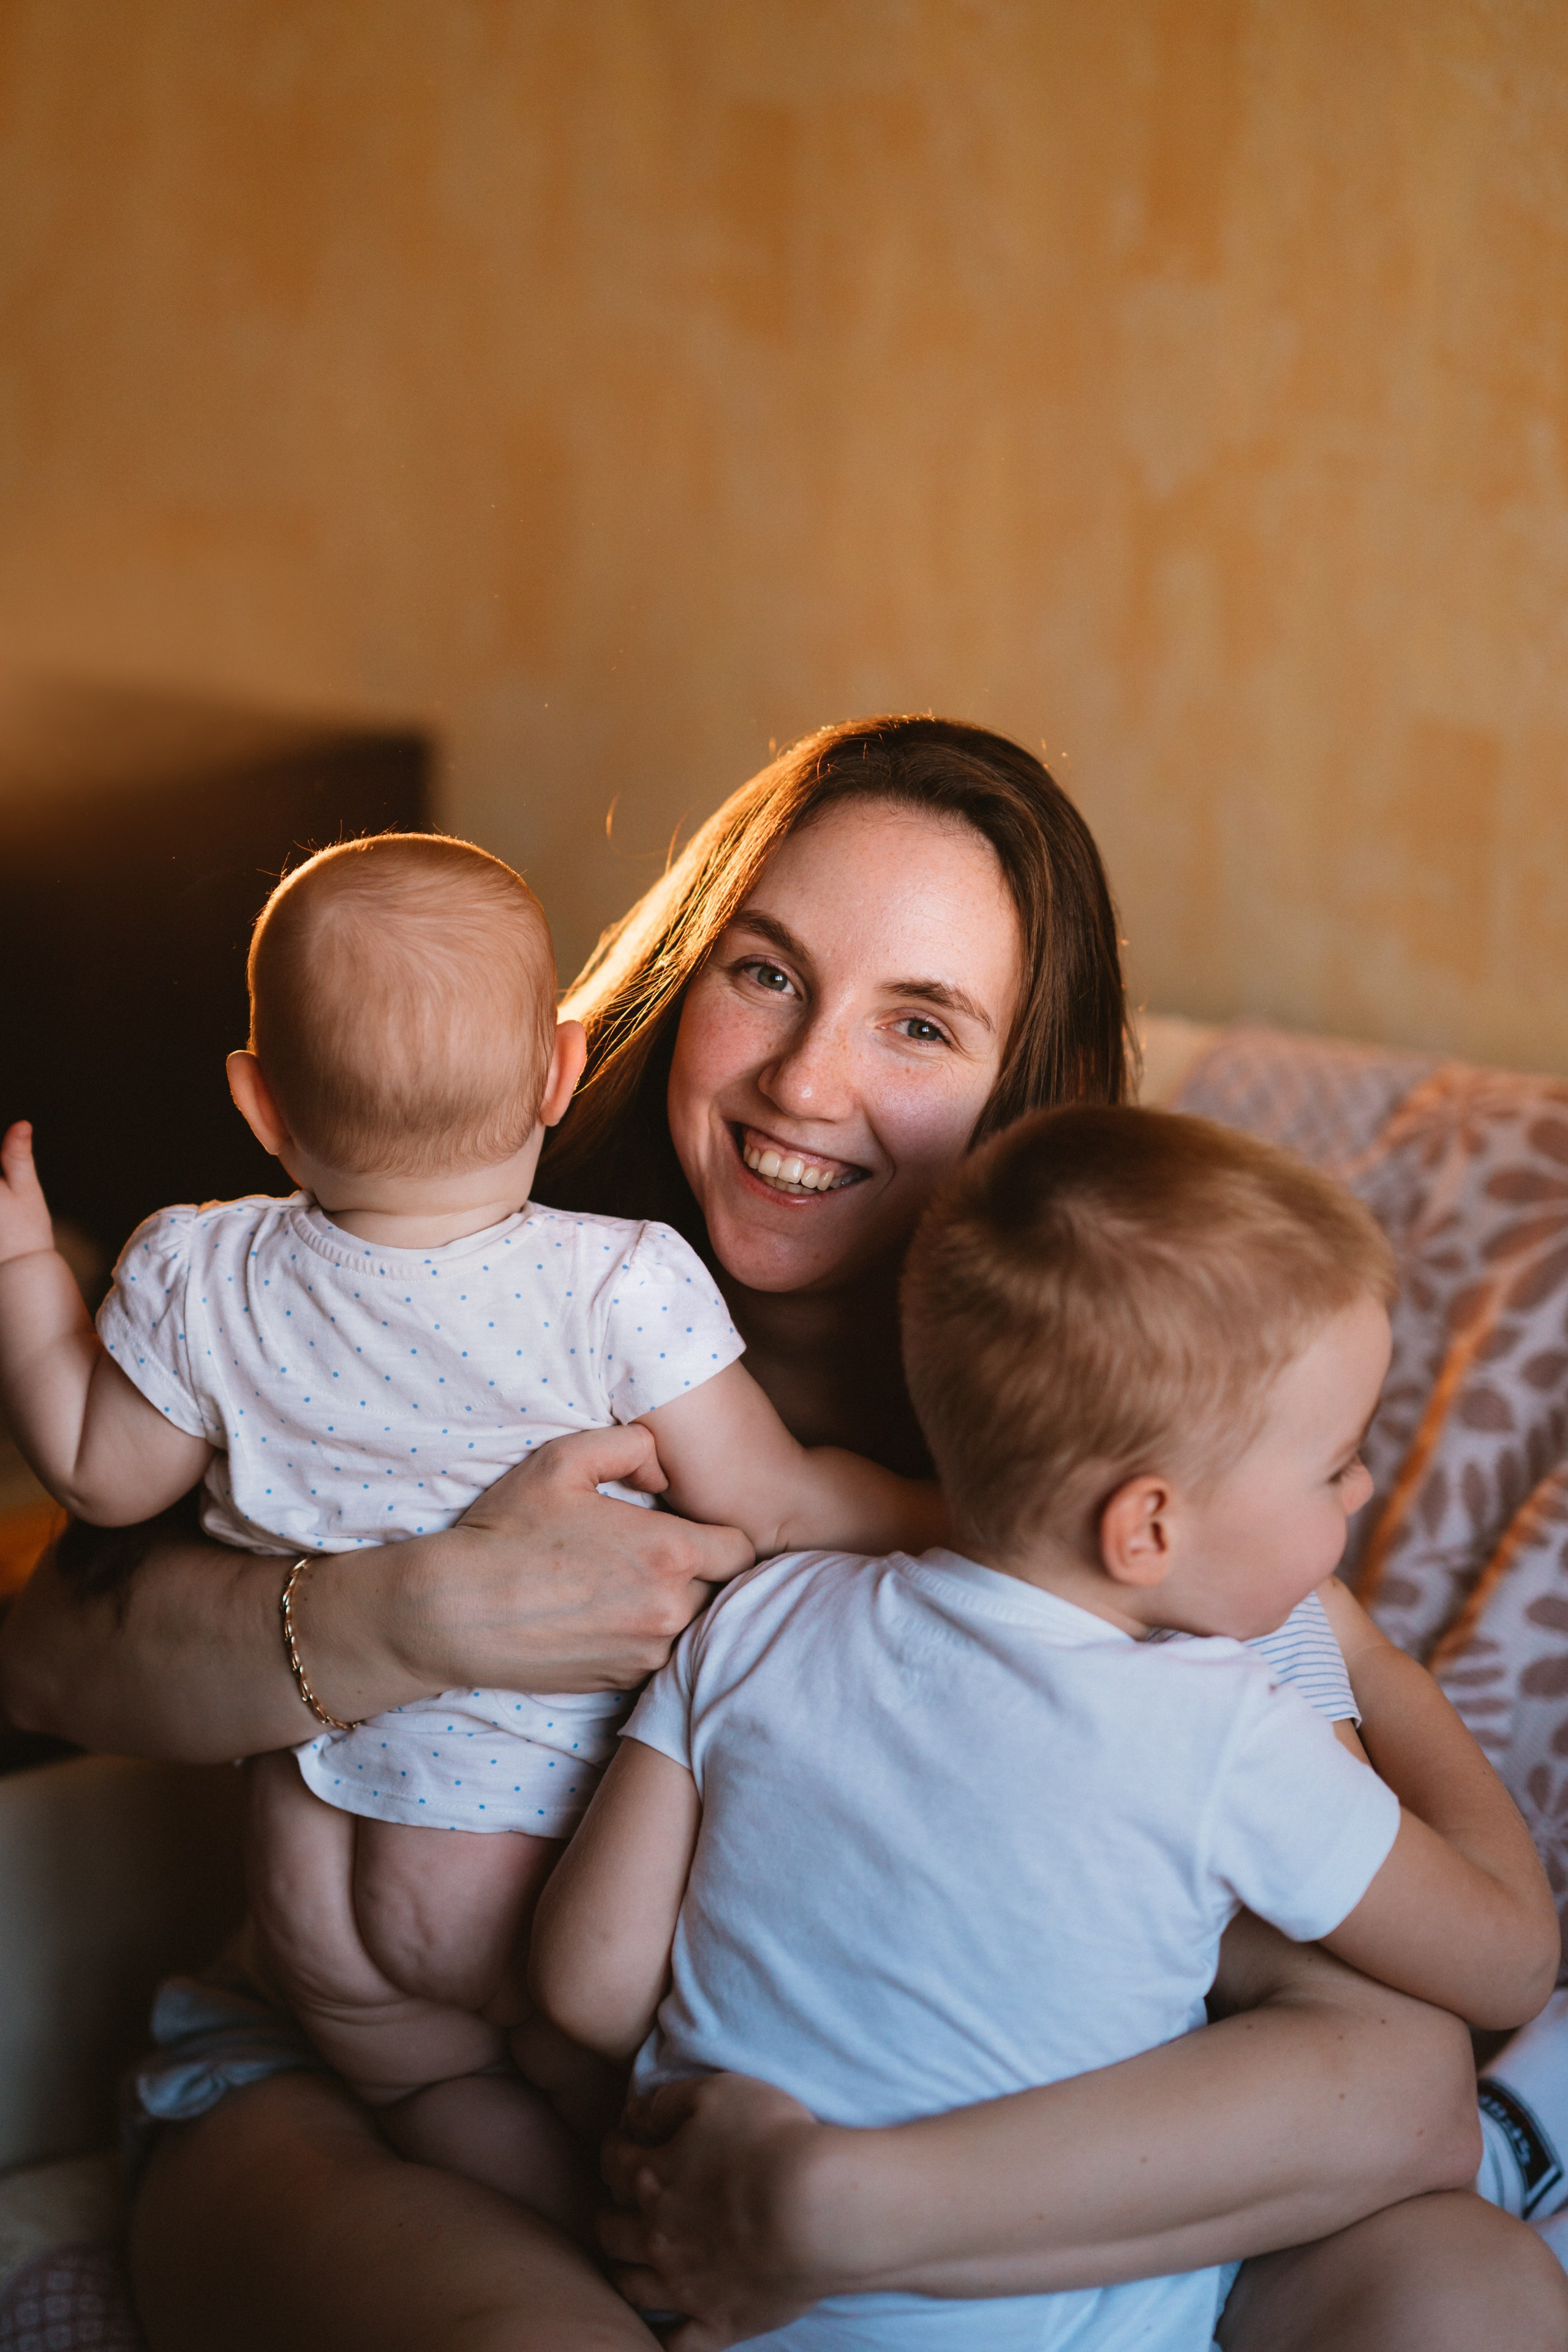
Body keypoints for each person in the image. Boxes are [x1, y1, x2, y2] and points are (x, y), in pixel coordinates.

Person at [0, 717, 1561, 2351]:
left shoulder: (1112, 1498)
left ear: (1026, 1100)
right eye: (763, 974)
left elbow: (1397, 2082)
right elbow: (48, 1653)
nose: (805, 1083)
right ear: (671, 986)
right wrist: (423, 1612)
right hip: (370, 2087)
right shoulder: (465, 1258)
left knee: (1460, 2295)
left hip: (882, 2183)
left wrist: (845, 2211)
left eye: (919, 1024)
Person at [0, 831, 941, 2222]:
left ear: (258, 1101)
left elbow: (96, 1477)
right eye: (766, 976)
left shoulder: (201, 1270)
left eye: (918, 1023)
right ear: (562, 1071)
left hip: (304, 1875)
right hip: (505, 1862)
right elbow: (777, 1500)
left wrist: (27, 1269)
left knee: (432, 2100)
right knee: (588, 2130)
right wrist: (948, 1514)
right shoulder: (616, 1285)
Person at [531, 1104, 1559, 2348]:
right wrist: (1378, 1665)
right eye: (1334, 1466)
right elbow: (1509, 1961)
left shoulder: (759, 1619)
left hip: (717, 2300)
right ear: (1147, 1530)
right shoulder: (1223, 1727)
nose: (1360, 1490)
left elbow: (588, 1985)